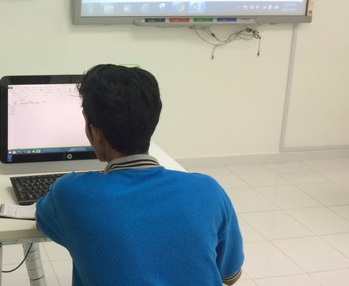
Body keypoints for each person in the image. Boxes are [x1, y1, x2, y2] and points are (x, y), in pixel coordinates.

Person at [36, 64, 244, 286]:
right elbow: (230, 276)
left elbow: (44, 220)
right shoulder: (209, 191)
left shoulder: (70, 193)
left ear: (95, 132)